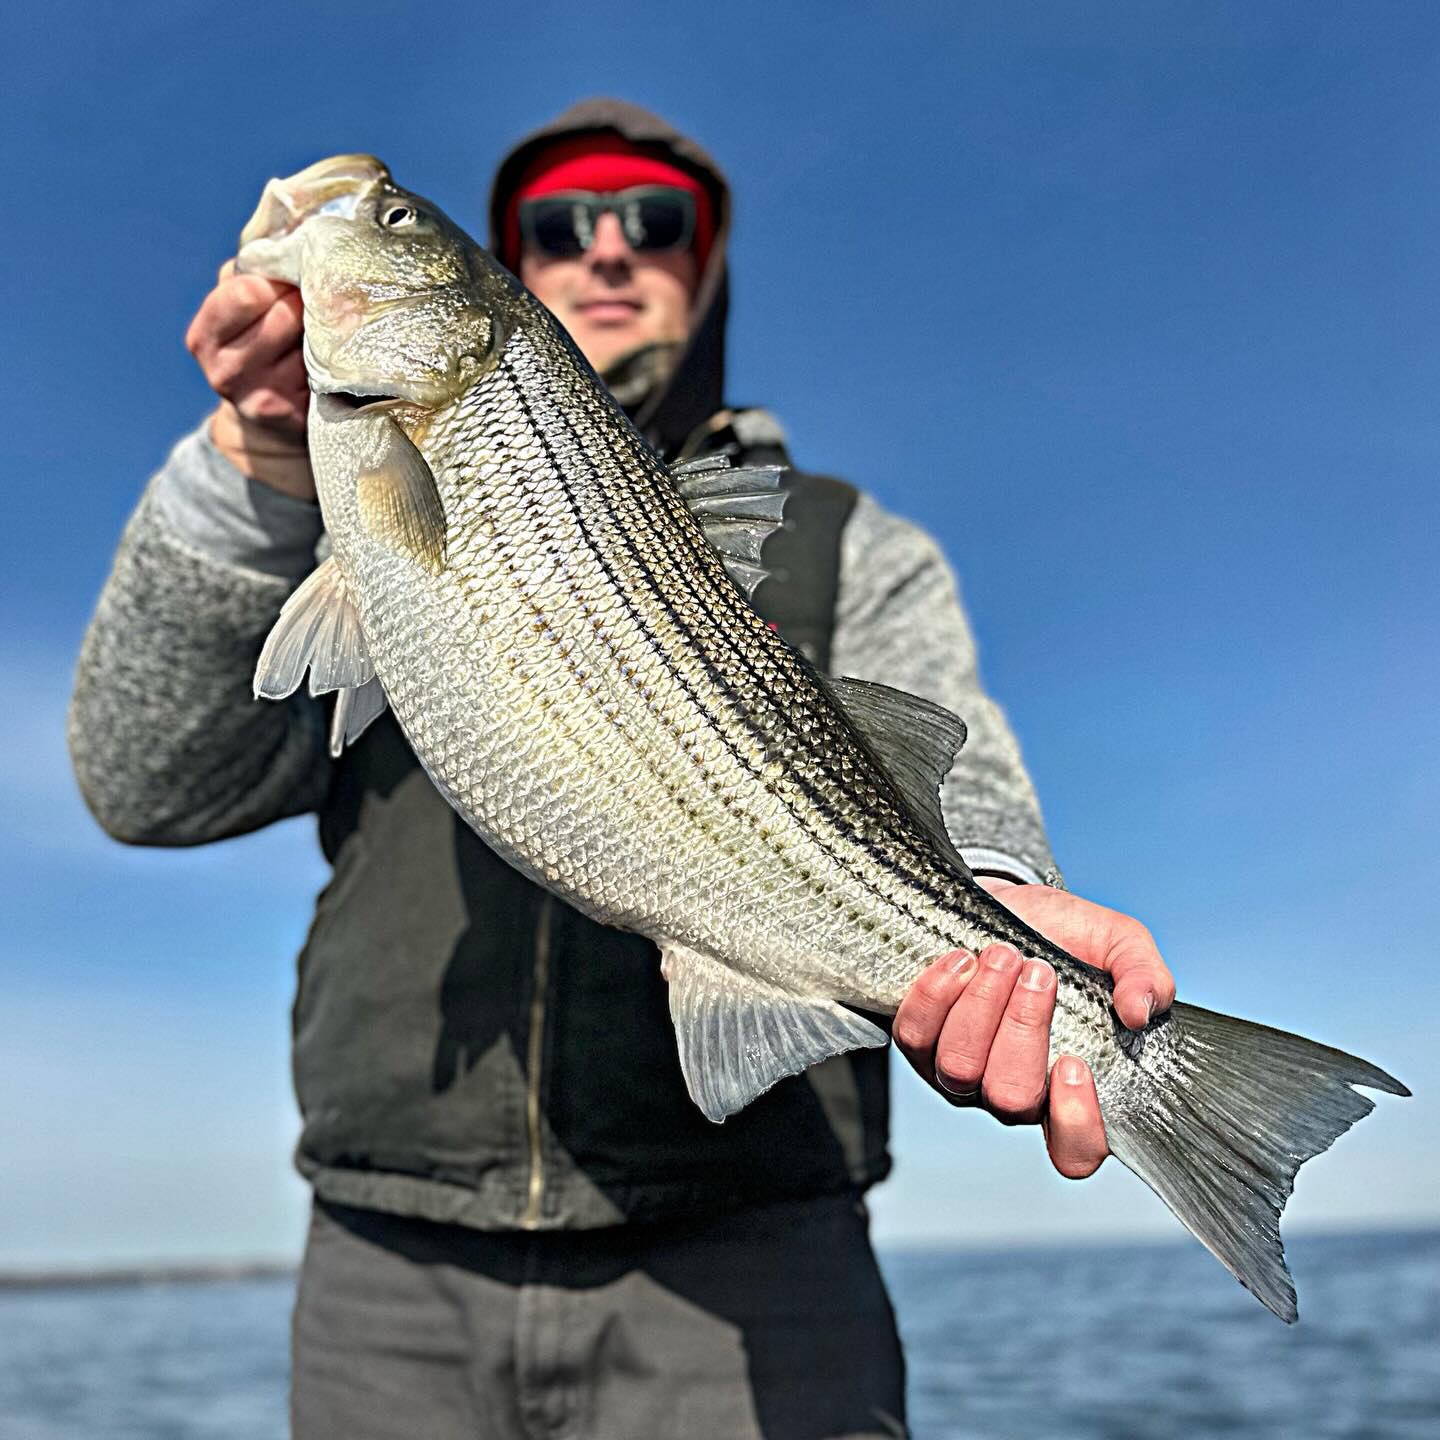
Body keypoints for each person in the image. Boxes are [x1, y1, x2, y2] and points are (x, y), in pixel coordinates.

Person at [70, 99, 1174, 1439]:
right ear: (512, 277)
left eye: (652, 224)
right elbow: (145, 784)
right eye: (555, 227)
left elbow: (959, 776)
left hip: (756, 1273)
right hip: (390, 1270)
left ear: (703, 271)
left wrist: (995, 902)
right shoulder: (327, 501)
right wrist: (247, 475)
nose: (604, 251)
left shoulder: (851, 541)